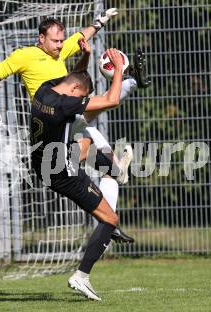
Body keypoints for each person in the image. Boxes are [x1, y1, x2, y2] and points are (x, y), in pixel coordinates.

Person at [0, 11, 141, 243]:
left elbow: (81, 40)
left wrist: (97, 24)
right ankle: (131, 83)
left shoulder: (60, 49)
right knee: (99, 118)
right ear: (41, 39)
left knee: (90, 137)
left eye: (61, 41)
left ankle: (109, 212)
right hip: (50, 121)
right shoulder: (25, 55)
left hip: (66, 114)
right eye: (55, 40)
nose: (59, 45)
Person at [30, 49, 127, 301]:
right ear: (75, 93)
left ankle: (114, 172)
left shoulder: (44, 90)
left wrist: (84, 58)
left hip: (44, 161)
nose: (82, 102)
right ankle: (82, 275)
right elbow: (112, 99)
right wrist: (118, 70)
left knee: (86, 143)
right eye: (83, 98)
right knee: (110, 219)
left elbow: (74, 76)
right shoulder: (64, 105)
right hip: (64, 172)